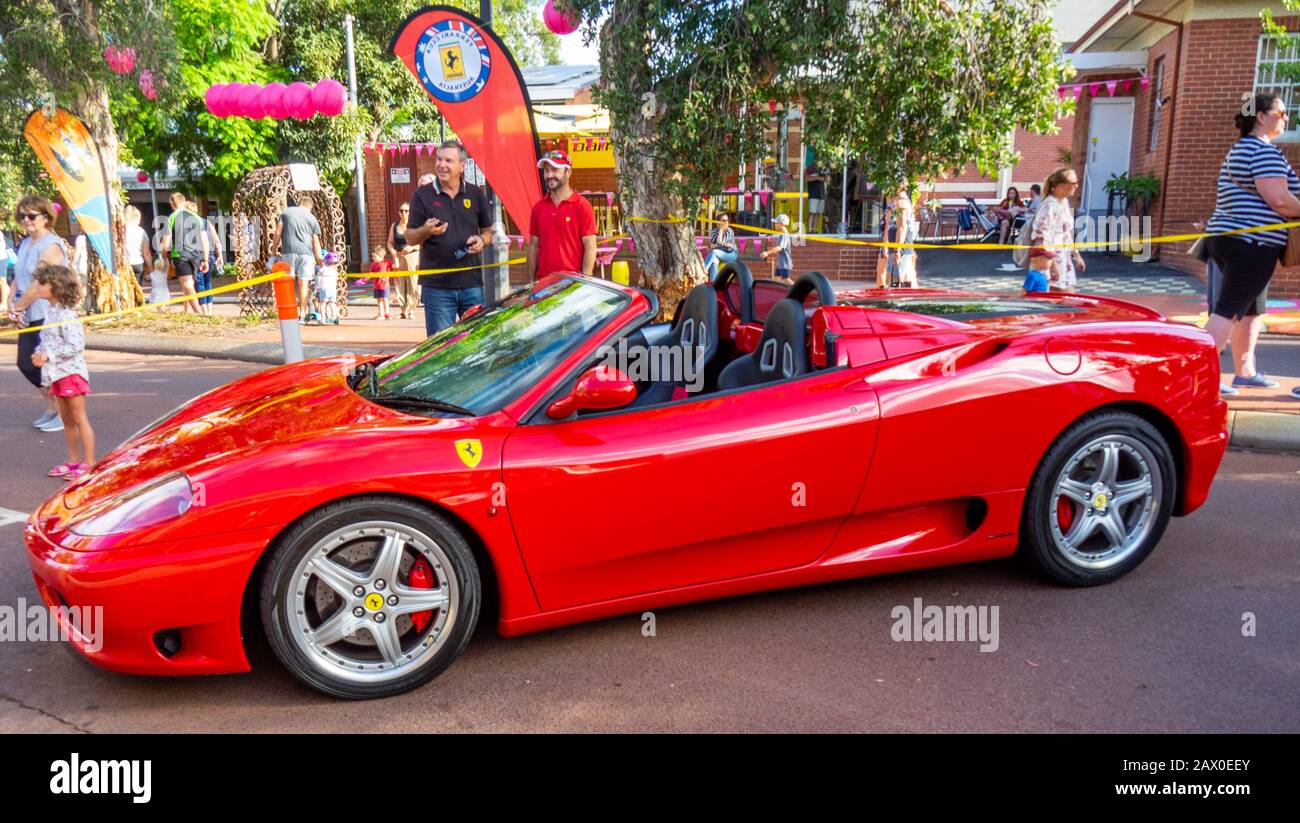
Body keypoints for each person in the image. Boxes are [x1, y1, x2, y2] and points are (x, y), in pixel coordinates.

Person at [1205, 93, 1300, 395]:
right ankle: (1200, 376)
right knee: (1227, 311)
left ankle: (1244, 372)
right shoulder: (1263, 152)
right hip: (1252, 243)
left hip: (1231, 239)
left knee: (1251, 311)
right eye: (1282, 112)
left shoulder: (1241, 149)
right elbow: (1280, 200)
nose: (1286, 118)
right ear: (1261, 116)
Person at [406, 140, 494, 336]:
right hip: (437, 288)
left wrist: (482, 241)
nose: (441, 165)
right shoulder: (423, 195)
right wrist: (426, 230)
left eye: (448, 160)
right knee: (441, 348)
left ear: (462, 166)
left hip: (472, 285)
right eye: (439, 159)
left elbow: (489, 232)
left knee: (477, 343)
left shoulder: (475, 194)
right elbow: (410, 238)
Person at [8, 195, 69, 432]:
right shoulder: (25, 243)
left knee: (47, 364)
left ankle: (64, 414)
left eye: (31, 215)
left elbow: (38, 284)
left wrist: (20, 306)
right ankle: (53, 407)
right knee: (26, 363)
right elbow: (19, 277)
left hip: (48, 313)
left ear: (45, 217)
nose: (26, 220)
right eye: (22, 216)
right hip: (27, 311)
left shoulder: (51, 245)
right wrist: (12, 304)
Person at [29, 263, 95, 481]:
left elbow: (75, 346)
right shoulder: (51, 312)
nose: (38, 287)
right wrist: (39, 353)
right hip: (56, 373)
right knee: (66, 419)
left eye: (42, 284)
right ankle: (73, 460)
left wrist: (49, 356)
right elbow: (46, 340)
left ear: (56, 287)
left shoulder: (67, 315)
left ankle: (90, 462)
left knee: (79, 417)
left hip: (71, 373)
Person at [527, 149, 597, 280]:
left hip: (572, 286)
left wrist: (585, 281)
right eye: (546, 171)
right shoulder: (538, 208)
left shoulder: (582, 206)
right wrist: (531, 283)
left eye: (555, 170)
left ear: (568, 172)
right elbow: (533, 246)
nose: (549, 175)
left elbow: (590, 246)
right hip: (543, 284)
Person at [1028, 168, 1085, 292]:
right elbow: (1040, 238)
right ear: (1060, 186)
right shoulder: (1049, 206)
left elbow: (1067, 232)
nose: (1076, 186)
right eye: (1073, 183)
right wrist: (1052, 265)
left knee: (1066, 299)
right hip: (1050, 262)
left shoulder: (1063, 202)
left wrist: (1076, 255)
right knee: (1054, 301)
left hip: (1063, 260)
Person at [271, 194, 323, 322]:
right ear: (309, 206)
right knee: (303, 283)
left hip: (288, 252)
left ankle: (290, 311)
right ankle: (303, 314)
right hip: (306, 254)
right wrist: (319, 259)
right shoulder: (312, 218)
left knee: (288, 282)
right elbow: (315, 242)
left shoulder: (286, 213)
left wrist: (273, 250)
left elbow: (278, 232)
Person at [158, 192, 207, 314]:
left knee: (187, 285)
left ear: (172, 203)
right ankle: (186, 311)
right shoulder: (197, 218)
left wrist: (163, 256)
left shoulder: (173, 217)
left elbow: (166, 242)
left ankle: (199, 313)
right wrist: (205, 259)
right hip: (195, 255)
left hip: (180, 254)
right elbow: (204, 240)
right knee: (189, 284)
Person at [387, 202, 420, 319]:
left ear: (410, 212)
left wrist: (411, 247)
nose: (404, 213)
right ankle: (403, 310)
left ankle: (411, 309)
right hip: (399, 257)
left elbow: (422, 243)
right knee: (400, 283)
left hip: (412, 256)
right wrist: (392, 251)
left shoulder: (415, 225)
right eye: (401, 210)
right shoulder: (394, 225)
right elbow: (390, 242)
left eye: (406, 211)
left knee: (412, 283)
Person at [884, 187, 919, 287]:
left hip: (902, 251)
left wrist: (897, 251)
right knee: (895, 280)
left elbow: (902, 227)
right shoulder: (895, 202)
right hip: (895, 248)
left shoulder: (901, 203)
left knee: (901, 281)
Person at [195, 201, 222, 316]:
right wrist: (219, 254)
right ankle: (210, 309)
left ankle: (205, 311)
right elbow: (216, 239)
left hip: (200, 255)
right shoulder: (207, 223)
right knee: (208, 282)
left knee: (199, 282)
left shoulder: (192, 224)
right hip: (211, 254)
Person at [702, 212, 739, 281]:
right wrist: (724, 244)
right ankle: (714, 284)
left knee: (714, 252)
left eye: (727, 220)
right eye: (723, 220)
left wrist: (721, 230)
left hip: (731, 254)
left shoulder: (730, 231)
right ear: (718, 223)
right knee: (714, 260)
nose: (726, 222)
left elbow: (718, 242)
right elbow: (712, 245)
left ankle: (703, 271)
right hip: (720, 253)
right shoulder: (715, 231)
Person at [123, 205, 153, 288]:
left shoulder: (121, 230)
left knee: (126, 289)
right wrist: (151, 270)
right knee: (138, 289)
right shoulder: (141, 232)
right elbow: (146, 253)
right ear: (137, 218)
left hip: (125, 264)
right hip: (138, 263)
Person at [761, 213, 793, 280]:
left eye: (776, 223)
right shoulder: (781, 234)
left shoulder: (784, 234)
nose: (775, 224)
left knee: (787, 280)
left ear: (782, 224)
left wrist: (767, 253)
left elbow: (779, 247)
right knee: (775, 280)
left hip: (785, 264)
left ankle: (798, 290)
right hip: (780, 263)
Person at [370, 246, 393, 320]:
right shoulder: (373, 264)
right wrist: (363, 280)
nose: (373, 258)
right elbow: (371, 273)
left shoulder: (386, 263)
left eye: (375, 256)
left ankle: (387, 313)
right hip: (377, 285)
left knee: (385, 299)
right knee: (379, 300)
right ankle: (380, 313)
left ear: (381, 256)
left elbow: (394, 267)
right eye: (373, 256)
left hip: (385, 286)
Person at [806, 164, 830, 233]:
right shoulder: (811, 168)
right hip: (813, 194)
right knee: (812, 212)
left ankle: (814, 229)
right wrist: (818, 178)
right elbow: (807, 178)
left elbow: (828, 179)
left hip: (821, 194)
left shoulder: (824, 168)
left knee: (817, 213)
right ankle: (810, 229)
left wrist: (826, 178)